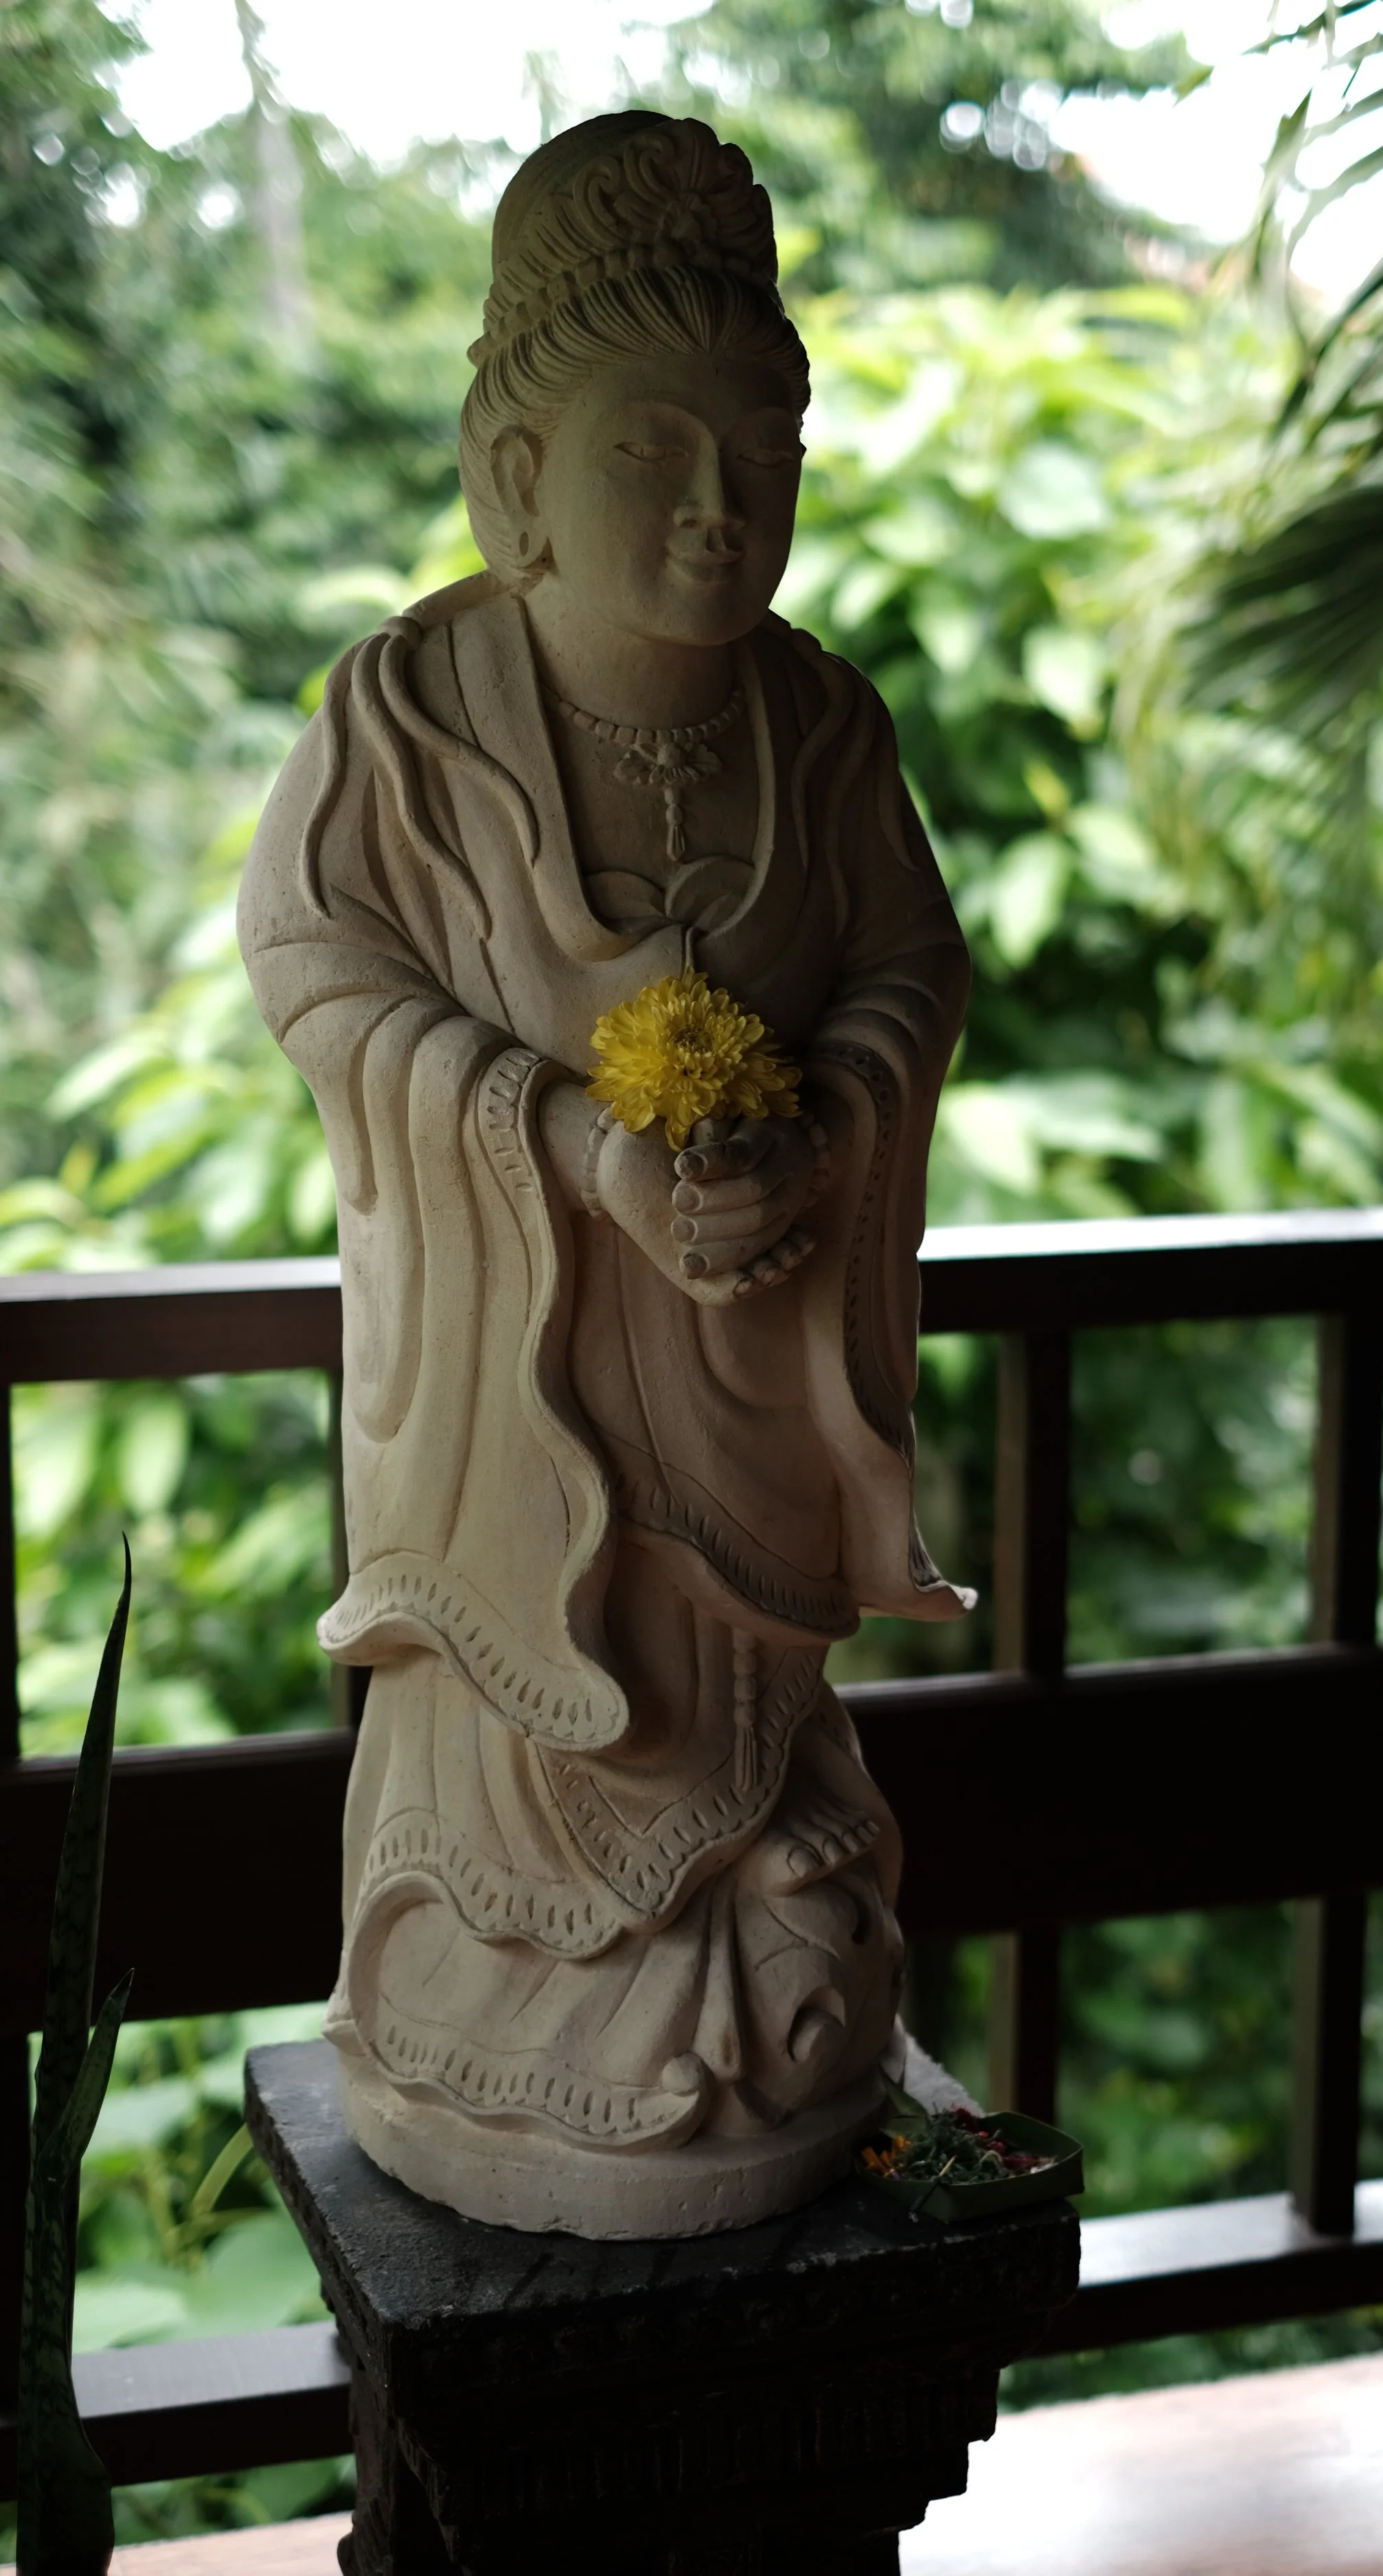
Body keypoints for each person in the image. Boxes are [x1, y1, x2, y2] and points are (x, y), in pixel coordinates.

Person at [240, 109, 970, 2235]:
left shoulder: (822, 730)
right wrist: (560, 1143)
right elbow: (314, 968)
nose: (717, 510)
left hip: (744, 1352)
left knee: (744, 1697)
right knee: (544, 1694)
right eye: (648, 450)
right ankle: (516, 2008)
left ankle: (758, 1929)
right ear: (510, 477)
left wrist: (823, 1124)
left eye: (765, 448)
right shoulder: (403, 723)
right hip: (515, 1382)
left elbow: (911, 960)